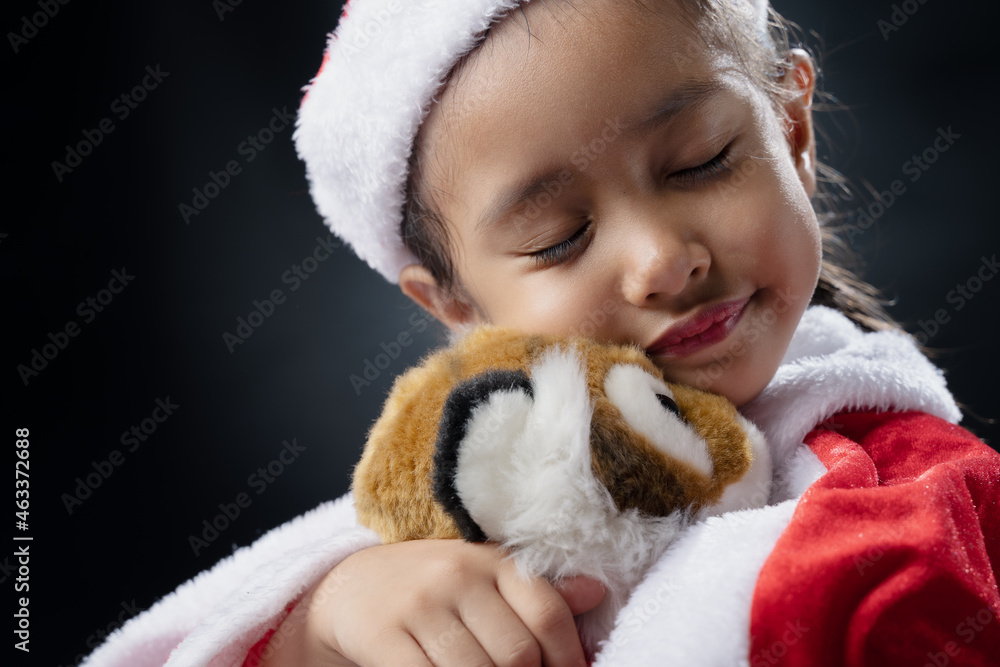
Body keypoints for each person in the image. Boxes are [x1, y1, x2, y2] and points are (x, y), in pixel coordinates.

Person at [83, 0, 1000, 665]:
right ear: (456, 308)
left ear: (792, 131)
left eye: (701, 161)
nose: (660, 259)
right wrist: (322, 630)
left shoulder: (917, 498)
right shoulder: (442, 520)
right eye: (559, 238)